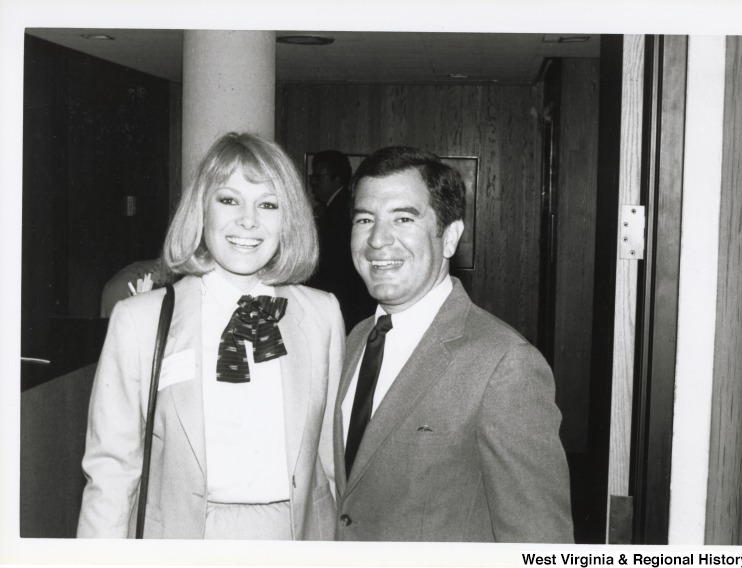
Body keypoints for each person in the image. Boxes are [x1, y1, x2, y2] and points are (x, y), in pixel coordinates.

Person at [78, 132, 343, 539]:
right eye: (229, 199)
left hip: (294, 536)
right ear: (202, 209)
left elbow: (329, 460)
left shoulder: (322, 314)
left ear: (287, 220)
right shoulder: (140, 320)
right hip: (185, 537)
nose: (248, 220)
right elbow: (112, 470)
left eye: (268, 204)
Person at [333, 146, 573, 542]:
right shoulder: (353, 339)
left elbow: (540, 544)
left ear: (450, 237)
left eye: (404, 218)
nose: (377, 240)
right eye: (364, 219)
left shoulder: (504, 364)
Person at [307, 150, 374, 332]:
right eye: (312, 176)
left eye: (319, 176)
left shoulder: (342, 211)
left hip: (345, 309)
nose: (313, 181)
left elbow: (333, 271)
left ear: (337, 178)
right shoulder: (333, 208)